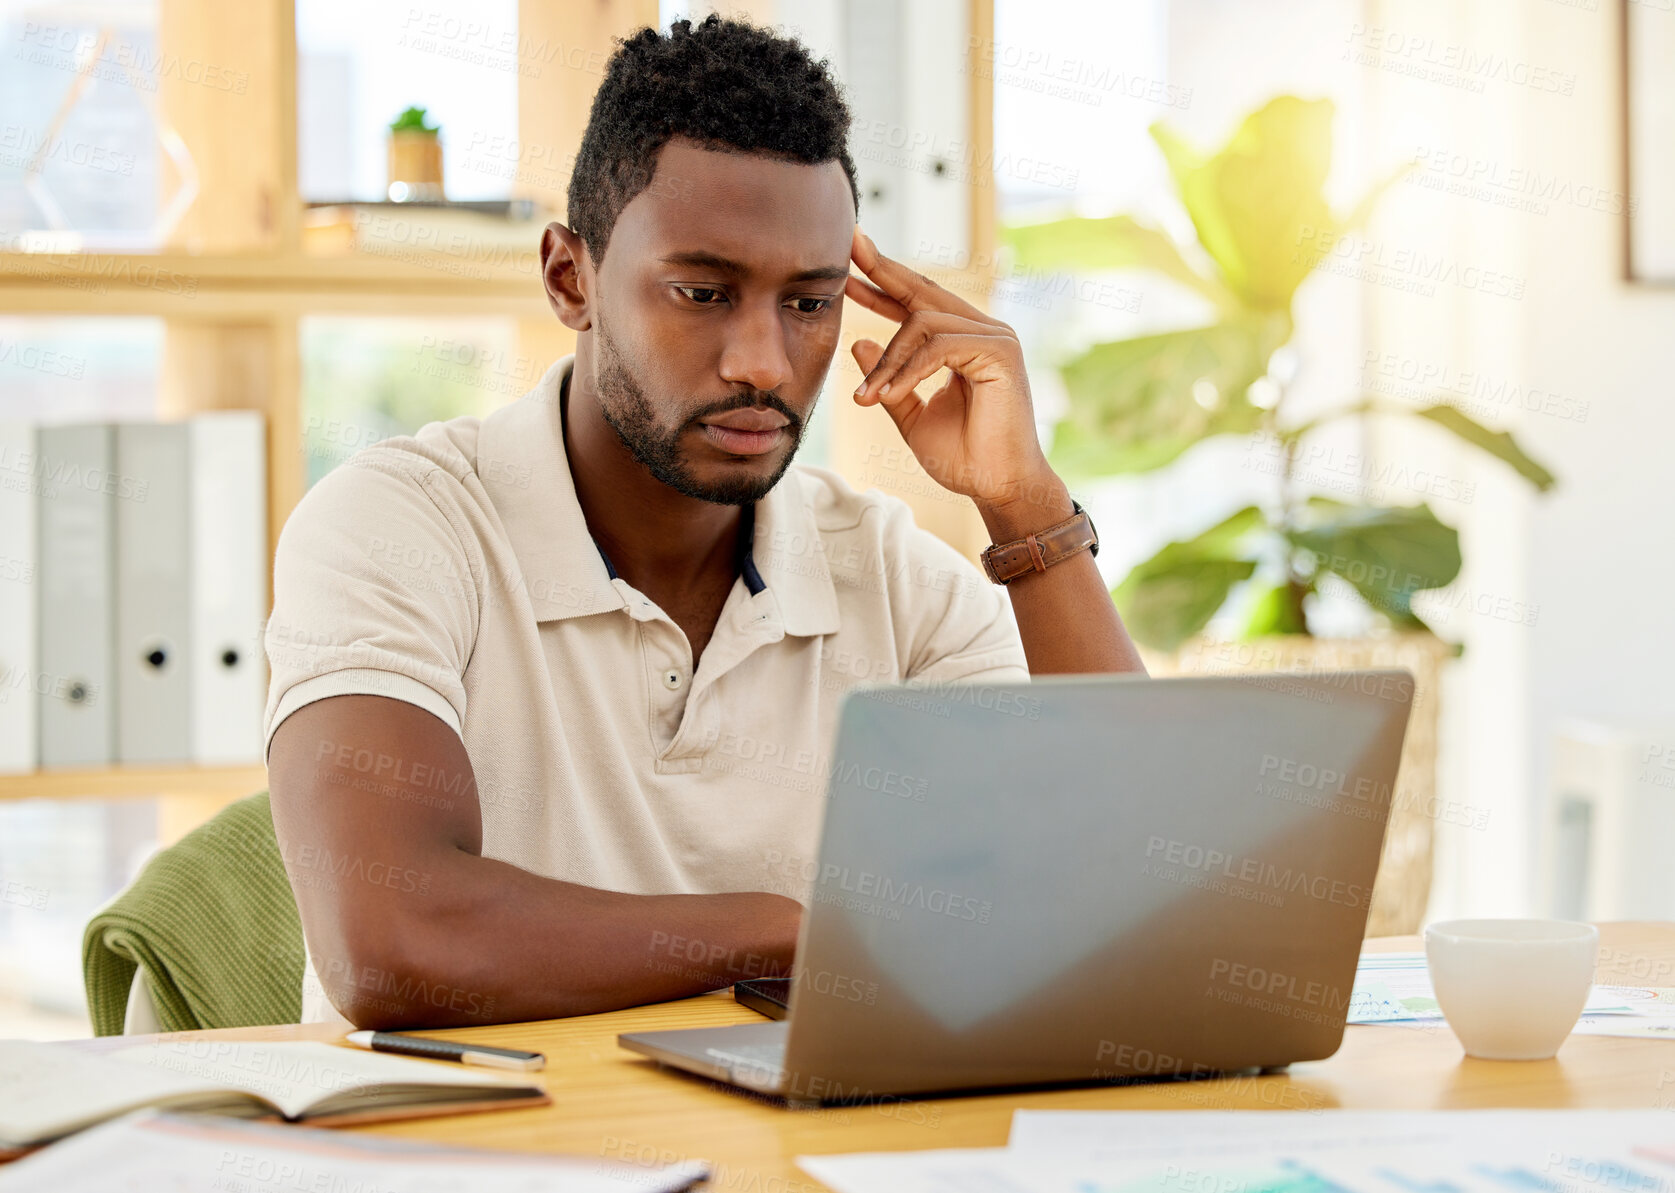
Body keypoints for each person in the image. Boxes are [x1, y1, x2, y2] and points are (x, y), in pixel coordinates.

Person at [265, 14, 1145, 1029]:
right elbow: (393, 939)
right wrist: (789, 931)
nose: (763, 363)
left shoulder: (894, 579)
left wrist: (1024, 507)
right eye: (702, 291)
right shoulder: (397, 524)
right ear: (570, 276)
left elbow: (1123, 895)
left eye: (810, 303)